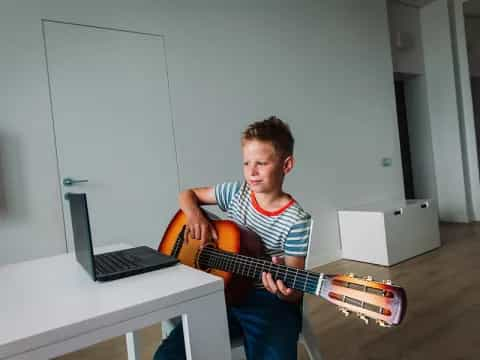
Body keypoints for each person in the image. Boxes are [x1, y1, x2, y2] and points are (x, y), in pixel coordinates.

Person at [153, 116, 312, 360]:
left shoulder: (296, 221)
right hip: (221, 293)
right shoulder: (237, 192)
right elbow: (187, 194)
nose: (252, 172)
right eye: (247, 163)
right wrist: (196, 215)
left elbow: (295, 287)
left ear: (286, 165)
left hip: (266, 301)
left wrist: (285, 292)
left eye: (261, 163)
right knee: (168, 356)